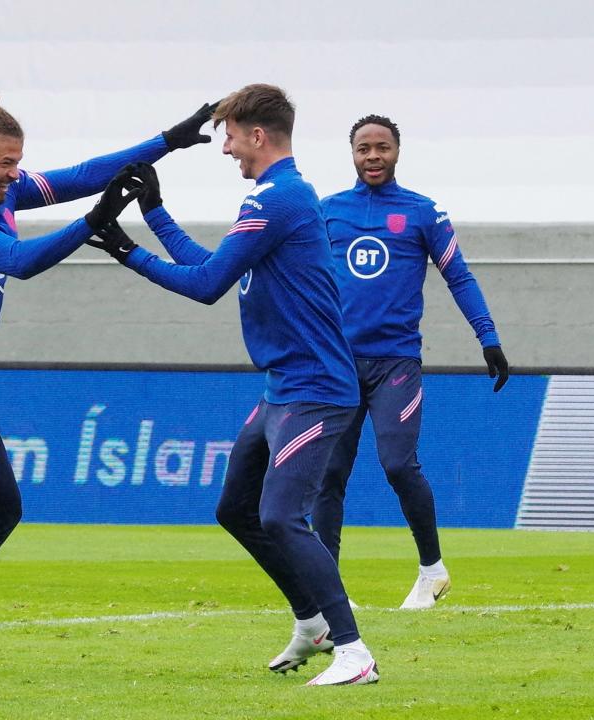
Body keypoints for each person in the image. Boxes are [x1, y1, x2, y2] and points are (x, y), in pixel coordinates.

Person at [0, 78, 216, 680]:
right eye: (6, 163)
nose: (16, 173)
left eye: (18, 162)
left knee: (1, 510)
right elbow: (21, 261)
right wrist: (95, 221)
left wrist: (168, 141)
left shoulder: (0, 195)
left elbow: (89, 172)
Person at [88, 84, 379, 686]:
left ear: (257, 135)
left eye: (228, 135)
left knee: (279, 517)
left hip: (316, 392)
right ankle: (312, 622)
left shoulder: (279, 198)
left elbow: (205, 285)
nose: (224, 148)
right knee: (235, 509)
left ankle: (353, 651)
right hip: (283, 389)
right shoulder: (277, 199)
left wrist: (126, 250)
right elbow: (209, 265)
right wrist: (154, 216)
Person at [310, 115, 509, 609]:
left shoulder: (423, 212)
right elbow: (299, 278)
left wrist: (488, 337)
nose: (373, 156)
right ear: (351, 154)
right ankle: (328, 586)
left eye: (382, 147)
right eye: (363, 148)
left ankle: (432, 571)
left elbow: (459, 277)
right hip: (337, 365)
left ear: (398, 151)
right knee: (330, 473)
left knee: (398, 463)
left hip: (396, 363)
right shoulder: (327, 212)